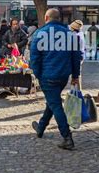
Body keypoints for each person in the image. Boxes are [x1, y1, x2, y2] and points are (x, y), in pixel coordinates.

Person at [30, 8, 82, 150]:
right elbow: (76, 58)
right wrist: (75, 76)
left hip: (47, 76)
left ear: (46, 17)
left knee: (56, 105)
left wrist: (38, 75)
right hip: (63, 76)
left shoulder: (40, 33)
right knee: (53, 102)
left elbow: (34, 59)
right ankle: (41, 127)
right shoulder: (70, 34)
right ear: (59, 18)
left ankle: (67, 137)